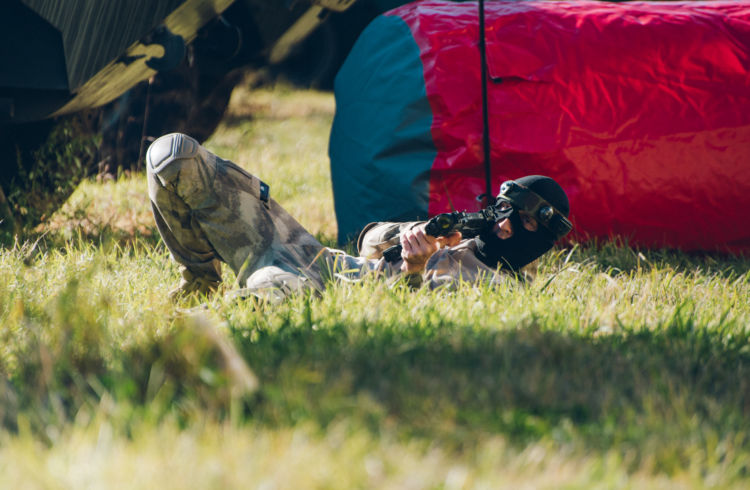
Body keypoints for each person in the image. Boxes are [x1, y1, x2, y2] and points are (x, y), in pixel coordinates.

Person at [147, 133, 571, 302]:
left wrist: (413, 270)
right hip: (303, 249)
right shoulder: (459, 237)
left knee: (257, 304)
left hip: (311, 287)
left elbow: (411, 318)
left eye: (526, 224)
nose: (505, 226)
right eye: (504, 212)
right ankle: (200, 277)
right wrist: (412, 233)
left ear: (544, 239)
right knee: (172, 155)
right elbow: (366, 243)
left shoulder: (500, 291)